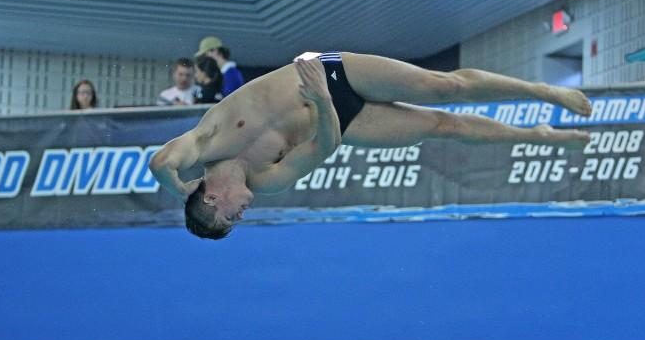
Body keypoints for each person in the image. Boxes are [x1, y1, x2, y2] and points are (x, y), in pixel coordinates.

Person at [149, 51, 593, 239]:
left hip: (333, 71)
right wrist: (323, 103)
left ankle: (543, 92)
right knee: (442, 126)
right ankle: (537, 135)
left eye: (231, 216)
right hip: (332, 108)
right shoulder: (267, 181)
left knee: (442, 86)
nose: (243, 214)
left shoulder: (209, 143)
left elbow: (161, 161)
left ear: (210, 196)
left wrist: (179, 190)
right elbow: (326, 146)